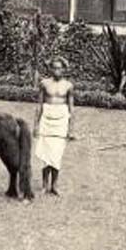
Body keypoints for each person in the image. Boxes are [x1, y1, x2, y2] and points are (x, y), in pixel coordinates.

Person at [34, 57, 75, 196]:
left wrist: (71, 128)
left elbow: (71, 108)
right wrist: (36, 125)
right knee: (46, 154)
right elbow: (39, 105)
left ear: (64, 69)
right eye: (54, 68)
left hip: (61, 121)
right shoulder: (44, 84)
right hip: (47, 120)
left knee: (56, 154)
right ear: (50, 69)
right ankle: (45, 185)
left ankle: (54, 185)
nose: (57, 71)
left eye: (60, 68)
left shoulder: (68, 85)